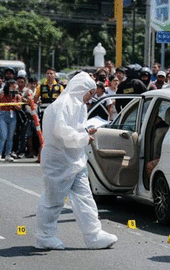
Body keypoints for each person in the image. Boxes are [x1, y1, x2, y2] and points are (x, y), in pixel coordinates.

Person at [35, 71, 118, 250]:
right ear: (81, 89)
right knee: (53, 200)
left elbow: (74, 130)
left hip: (74, 159)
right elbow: (61, 131)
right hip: (59, 160)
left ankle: (93, 235)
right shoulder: (64, 104)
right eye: (89, 93)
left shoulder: (78, 105)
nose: (90, 98)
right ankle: (44, 237)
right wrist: (83, 138)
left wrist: (86, 133)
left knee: (85, 197)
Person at [0, 79, 22, 162]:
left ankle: (8, 154)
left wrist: (14, 103)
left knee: (10, 137)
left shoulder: (17, 95)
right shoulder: (2, 94)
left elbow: (19, 107)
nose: (13, 86)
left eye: (14, 85)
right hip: (3, 114)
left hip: (13, 115)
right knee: (3, 136)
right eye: (11, 85)